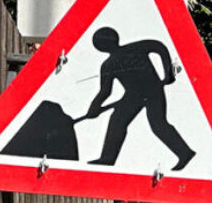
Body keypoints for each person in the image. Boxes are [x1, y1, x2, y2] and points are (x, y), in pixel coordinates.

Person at [83, 27, 195, 170]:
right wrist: (94, 107)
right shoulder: (108, 65)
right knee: (117, 121)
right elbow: (105, 91)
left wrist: (168, 72)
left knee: (158, 124)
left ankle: (185, 153)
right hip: (133, 95)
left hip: (153, 89)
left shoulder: (133, 49)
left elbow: (158, 46)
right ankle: (108, 158)